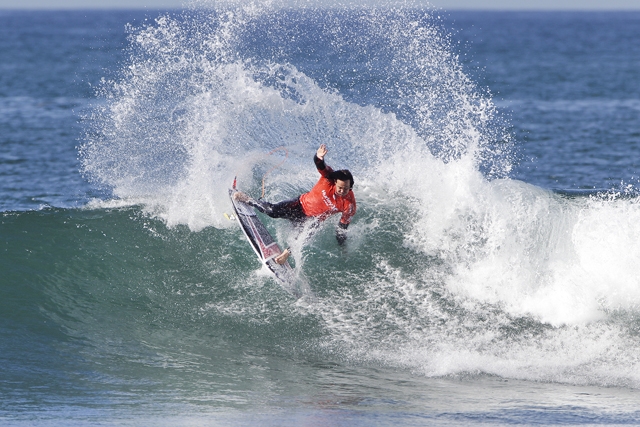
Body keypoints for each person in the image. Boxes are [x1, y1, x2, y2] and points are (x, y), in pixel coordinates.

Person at [234, 144, 356, 264]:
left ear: (350, 187)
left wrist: (342, 245)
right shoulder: (328, 178)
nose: (342, 191)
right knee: (272, 211)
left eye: (346, 189)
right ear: (335, 182)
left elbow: (342, 228)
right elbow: (320, 165)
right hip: (299, 205)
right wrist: (319, 157)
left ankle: (285, 254)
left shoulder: (349, 205)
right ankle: (248, 199)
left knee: (302, 238)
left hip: (312, 220)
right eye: (340, 187)